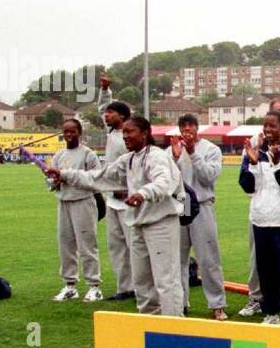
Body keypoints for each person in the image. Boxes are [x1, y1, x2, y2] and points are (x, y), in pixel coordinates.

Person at [45, 116, 184, 317]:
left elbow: (163, 183)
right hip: (137, 224)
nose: (125, 136)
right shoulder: (128, 160)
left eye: (130, 132)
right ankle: (148, 324)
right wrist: (65, 175)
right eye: (123, 133)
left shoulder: (157, 156)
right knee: (142, 281)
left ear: (145, 133)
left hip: (161, 224)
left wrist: (142, 194)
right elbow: (98, 177)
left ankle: (174, 327)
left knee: (165, 280)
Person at [240, 110, 280, 326]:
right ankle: (271, 313)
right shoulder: (254, 150)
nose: (268, 130)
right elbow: (246, 185)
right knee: (266, 271)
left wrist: (277, 163)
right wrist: (251, 163)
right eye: (265, 126)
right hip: (261, 221)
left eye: (273, 126)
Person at [171, 114, 227, 321]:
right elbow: (168, 179)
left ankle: (217, 304)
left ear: (197, 128)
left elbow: (207, 177)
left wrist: (193, 153)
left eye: (191, 126)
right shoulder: (172, 149)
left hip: (202, 203)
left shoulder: (211, 149)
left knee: (208, 257)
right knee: (178, 257)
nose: (187, 130)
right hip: (182, 202)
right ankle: (180, 303)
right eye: (183, 126)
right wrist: (175, 158)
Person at [48, 118, 103, 303]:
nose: (69, 135)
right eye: (66, 131)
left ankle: (94, 286)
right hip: (64, 202)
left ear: (79, 132)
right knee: (66, 245)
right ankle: (70, 285)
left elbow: (96, 179)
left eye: (72, 131)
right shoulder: (59, 155)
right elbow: (49, 182)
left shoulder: (88, 154)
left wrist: (69, 177)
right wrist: (54, 181)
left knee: (87, 244)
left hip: (84, 202)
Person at [101, 101, 136, 302]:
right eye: (106, 112)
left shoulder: (129, 137)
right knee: (116, 247)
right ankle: (124, 287)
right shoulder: (111, 134)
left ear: (122, 116)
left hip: (129, 200)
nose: (106, 115)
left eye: (110, 112)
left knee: (134, 246)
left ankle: (142, 288)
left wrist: (130, 189)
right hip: (112, 198)